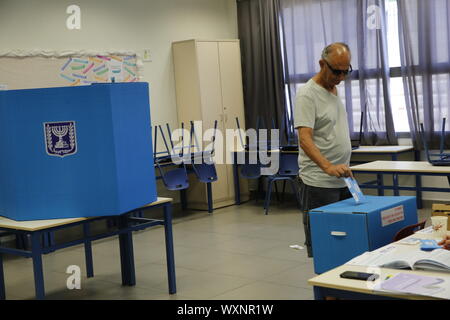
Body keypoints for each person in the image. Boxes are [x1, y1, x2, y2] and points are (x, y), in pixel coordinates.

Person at [294, 42, 354, 257]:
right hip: (318, 183)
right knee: (324, 243)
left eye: (345, 72)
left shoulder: (333, 88)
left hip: (342, 179)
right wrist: (328, 166)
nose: (341, 77)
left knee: (348, 237)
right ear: (322, 64)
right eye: (336, 71)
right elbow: (305, 138)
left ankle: (342, 286)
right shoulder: (307, 95)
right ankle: (326, 290)